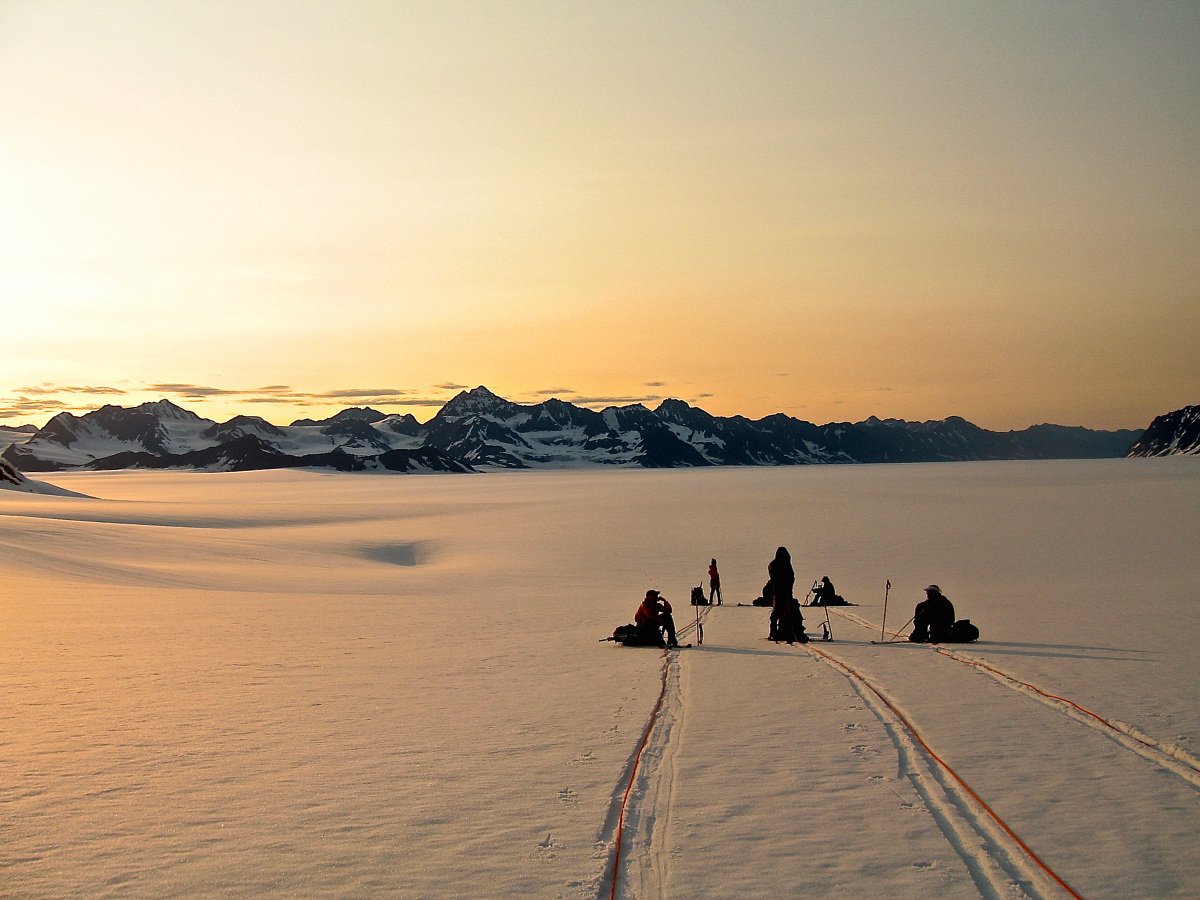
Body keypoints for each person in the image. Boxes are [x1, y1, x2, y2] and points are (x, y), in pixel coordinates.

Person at [768, 546, 806, 643]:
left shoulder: (774, 564)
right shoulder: (786, 564)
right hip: (786, 592)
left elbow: (774, 578)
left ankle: (775, 632)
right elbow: (791, 577)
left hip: (779, 592)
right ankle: (784, 630)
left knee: (776, 613)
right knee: (786, 611)